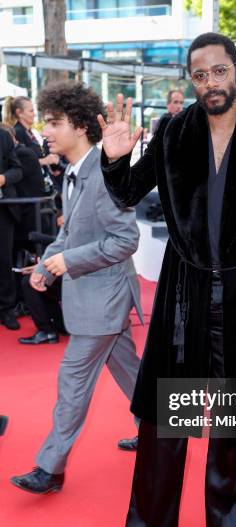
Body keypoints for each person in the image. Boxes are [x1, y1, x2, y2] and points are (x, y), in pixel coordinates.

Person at [99, 32, 236, 527]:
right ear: (193, 79)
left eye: (219, 71)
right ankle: (146, 522)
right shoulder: (172, 131)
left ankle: (235, 521)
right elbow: (127, 192)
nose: (211, 82)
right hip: (182, 293)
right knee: (166, 417)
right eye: (200, 74)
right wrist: (114, 158)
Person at [11, 81, 144, 495]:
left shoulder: (104, 173)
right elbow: (72, 234)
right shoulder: (75, 170)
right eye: (46, 121)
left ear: (82, 127)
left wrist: (67, 262)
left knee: (72, 378)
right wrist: (48, 267)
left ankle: (50, 468)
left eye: (54, 122)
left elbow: (126, 240)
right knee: (131, 370)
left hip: (102, 297)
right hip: (98, 293)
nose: (45, 130)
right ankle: (173, 428)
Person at [0, 127, 23, 330]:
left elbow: (17, 170)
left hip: (3, 209)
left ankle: (7, 309)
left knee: (4, 260)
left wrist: (3, 179)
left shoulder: (3, 136)